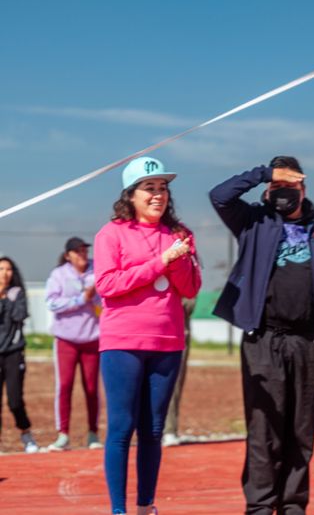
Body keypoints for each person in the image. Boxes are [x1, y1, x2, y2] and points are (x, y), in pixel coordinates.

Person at [210, 155, 314, 515]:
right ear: (266, 191)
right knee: (265, 429)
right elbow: (219, 196)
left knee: (301, 428)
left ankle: (293, 505)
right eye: (276, 187)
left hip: (306, 341)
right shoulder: (253, 221)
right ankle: (260, 506)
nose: (283, 193)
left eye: (290, 186)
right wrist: (265, 173)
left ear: (303, 188)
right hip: (263, 339)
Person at [94, 156, 201, 515]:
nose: (159, 195)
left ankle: (145, 506)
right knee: (122, 428)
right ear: (132, 194)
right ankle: (118, 510)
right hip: (123, 342)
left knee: (153, 430)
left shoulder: (180, 234)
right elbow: (108, 286)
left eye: (163, 188)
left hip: (167, 342)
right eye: (150, 188)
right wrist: (161, 262)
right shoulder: (111, 234)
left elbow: (190, 288)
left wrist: (181, 257)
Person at [45, 236, 103, 451]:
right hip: (66, 340)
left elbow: (106, 297)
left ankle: (93, 433)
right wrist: (81, 299)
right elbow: (51, 302)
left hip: (92, 338)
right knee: (65, 385)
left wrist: (95, 298)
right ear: (68, 255)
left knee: (91, 388)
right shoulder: (58, 275)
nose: (82, 254)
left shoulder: (97, 271)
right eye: (77, 251)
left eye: (85, 250)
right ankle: (63, 434)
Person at [0, 256, 39, 454]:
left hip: (14, 353)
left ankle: (26, 433)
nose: (5, 273)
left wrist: (6, 299)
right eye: (1, 269)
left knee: (14, 400)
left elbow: (19, 316)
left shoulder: (17, 293)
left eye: (8, 269)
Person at [162, 296, 196, 447]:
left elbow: (189, 304)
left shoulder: (188, 272)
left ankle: (169, 429)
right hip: (148, 331)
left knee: (173, 383)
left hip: (177, 332)